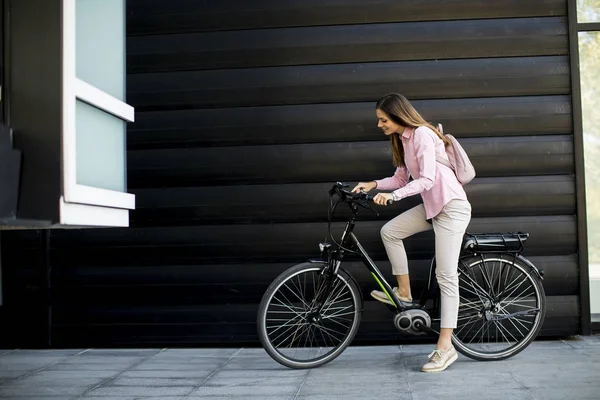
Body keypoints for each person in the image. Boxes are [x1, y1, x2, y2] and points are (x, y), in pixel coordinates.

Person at [352, 93, 471, 373]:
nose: (380, 125)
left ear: (397, 115)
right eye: (379, 120)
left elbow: (428, 179)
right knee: (390, 231)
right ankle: (403, 293)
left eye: (383, 119)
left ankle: (445, 348)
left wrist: (394, 197)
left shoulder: (422, 135)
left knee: (446, 276)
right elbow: (400, 179)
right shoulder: (403, 140)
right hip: (433, 207)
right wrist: (372, 185)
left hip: (451, 207)